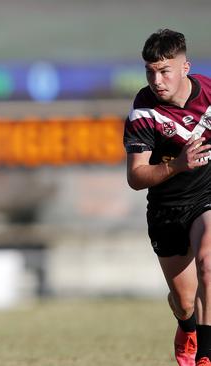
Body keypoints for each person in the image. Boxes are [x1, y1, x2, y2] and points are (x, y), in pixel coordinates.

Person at [124, 28, 211, 366]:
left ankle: (205, 354)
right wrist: (177, 164)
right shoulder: (144, 111)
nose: (156, 80)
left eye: (164, 70)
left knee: (208, 265)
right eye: (150, 71)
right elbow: (136, 177)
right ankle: (186, 325)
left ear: (185, 67)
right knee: (185, 301)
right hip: (166, 208)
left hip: (205, 196)